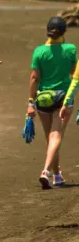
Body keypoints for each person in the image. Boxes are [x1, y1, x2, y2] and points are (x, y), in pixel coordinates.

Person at [27, 17, 77, 189]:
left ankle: (57, 175)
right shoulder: (70, 49)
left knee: (51, 138)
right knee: (56, 136)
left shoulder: (39, 51)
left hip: (43, 99)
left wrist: (30, 102)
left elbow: (34, 78)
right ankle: (46, 171)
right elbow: (74, 74)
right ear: (64, 32)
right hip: (63, 97)